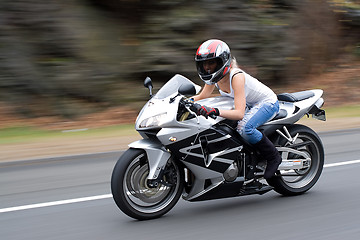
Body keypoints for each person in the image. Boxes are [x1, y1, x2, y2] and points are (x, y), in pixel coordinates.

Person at [191, 39, 281, 179]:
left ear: (223, 61)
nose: (207, 68)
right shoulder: (214, 78)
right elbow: (203, 95)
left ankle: (273, 157)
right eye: (204, 64)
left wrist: (214, 111)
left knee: (245, 128)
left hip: (267, 103)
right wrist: (182, 101)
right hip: (249, 104)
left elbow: (239, 113)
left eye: (211, 63)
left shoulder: (236, 76)